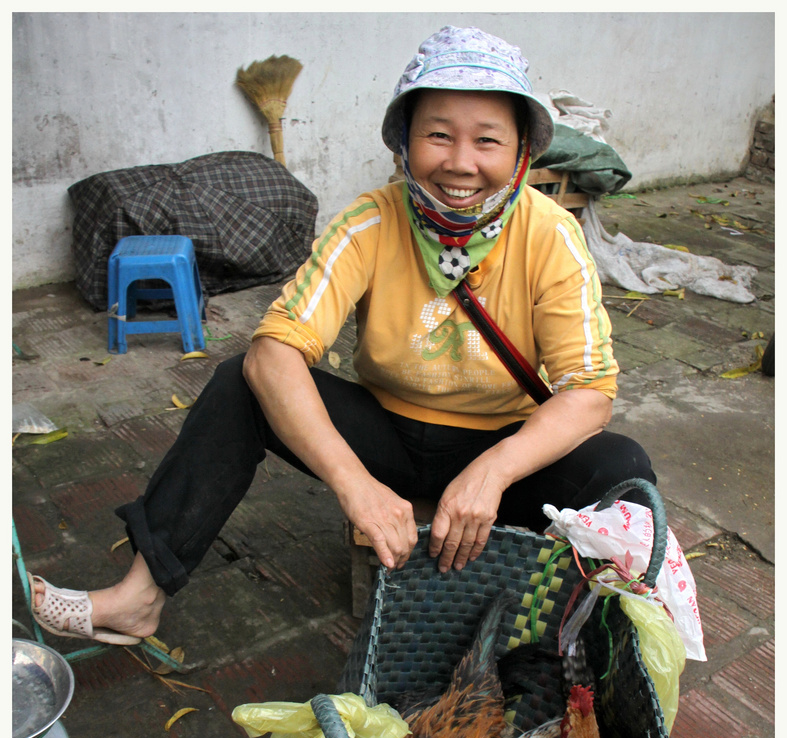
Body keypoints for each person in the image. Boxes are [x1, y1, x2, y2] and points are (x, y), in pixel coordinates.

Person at [29, 25, 656, 647]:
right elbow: (275, 352)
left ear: (521, 153)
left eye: (487, 141)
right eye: (438, 135)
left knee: (623, 468)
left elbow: (590, 391)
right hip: (390, 436)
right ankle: (139, 597)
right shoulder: (368, 222)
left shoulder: (550, 234)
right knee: (239, 383)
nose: (460, 163)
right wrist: (355, 486)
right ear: (404, 144)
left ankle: (570, 635)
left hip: (503, 446)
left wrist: (491, 473)